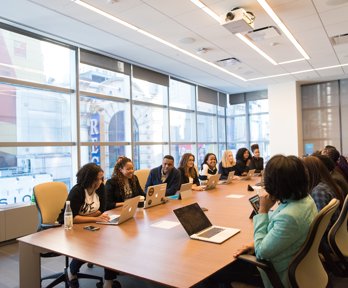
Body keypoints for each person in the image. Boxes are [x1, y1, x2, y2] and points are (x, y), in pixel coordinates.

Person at [207, 155, 317, 288]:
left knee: (215, 272)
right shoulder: (305, 199)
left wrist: (263, 211)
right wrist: (254, 243)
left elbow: (261, 252)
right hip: (297, 263)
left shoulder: (290, 216)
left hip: (276, 272)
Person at [57, 163, 119, 288]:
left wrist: (89, 217)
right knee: (88, 247)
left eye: (102, 178)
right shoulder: (77, 191)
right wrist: (93, 218)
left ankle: (108, 282)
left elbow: (102, 209)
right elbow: (71, 217)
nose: (101, 181)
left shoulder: (100, 188)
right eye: (98, 179)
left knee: (110, 245)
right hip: (71, 228)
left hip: (89, 224)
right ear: (90, 179)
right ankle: (71, 271)